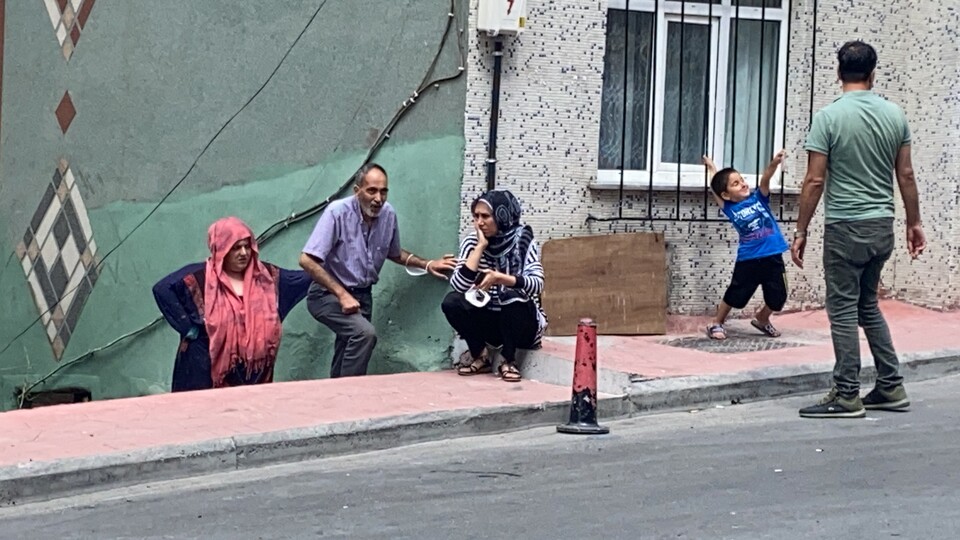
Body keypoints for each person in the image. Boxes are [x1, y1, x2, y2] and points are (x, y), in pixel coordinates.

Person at [792, 41, 926, 419]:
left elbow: (814, 181)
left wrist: (801, 230)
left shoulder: (829, 117)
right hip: (881, 225)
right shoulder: (894, 115)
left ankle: (847, 393)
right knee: (868, 305)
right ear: (872, 73)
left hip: (845, 228)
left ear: (839, 73)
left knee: (843, 311)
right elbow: (906, 174)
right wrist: (913, 222)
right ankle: (890, 384)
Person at [299, 163, 457, 378]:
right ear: (357, 191)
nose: (378, 198)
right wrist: (342, 295)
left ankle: (336, 399)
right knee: (364, 335)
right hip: (327, 295)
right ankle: (351, 397)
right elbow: (307, 260)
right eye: (371, 190)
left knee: (348, 347)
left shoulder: (388, 214)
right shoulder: (337, 213)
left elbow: (394, 253)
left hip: (363, 296)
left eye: (383, 191)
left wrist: (428, 264)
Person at [153, 217, 311, 392]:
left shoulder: (266, 277)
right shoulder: (200, 278)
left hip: (252, 374)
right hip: (203, 368)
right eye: (236, 248)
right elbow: (162, 289)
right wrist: (188, 327)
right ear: (220, 249)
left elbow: (306, 278)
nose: (244, 253)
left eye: (247, 246)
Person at [442, 189, 547, 383]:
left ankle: (509, 360)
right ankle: (480, 355)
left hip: (522, 323)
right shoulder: (472, 242)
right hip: (491, 320)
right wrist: (480, 248)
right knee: (451, 302)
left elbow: (537, 284)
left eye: (486, 216)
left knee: (510, 295)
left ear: (502, 216)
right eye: (476, 216)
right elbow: (458, 285)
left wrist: (501, 278)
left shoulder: (522, 240)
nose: (479, 222)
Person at [702, 151, 790, 341]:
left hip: (773, 256)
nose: (742, 183)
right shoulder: (729, 208)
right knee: (736, 294)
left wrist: (774, 163)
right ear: (726, 195)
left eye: (741, 179)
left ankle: (762, 319)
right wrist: (712, 169)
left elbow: (766, 178)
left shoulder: (759, 198)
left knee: (779, 297)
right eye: (735, 183)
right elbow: (715, 188)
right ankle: (716, 322)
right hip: (748, 259)